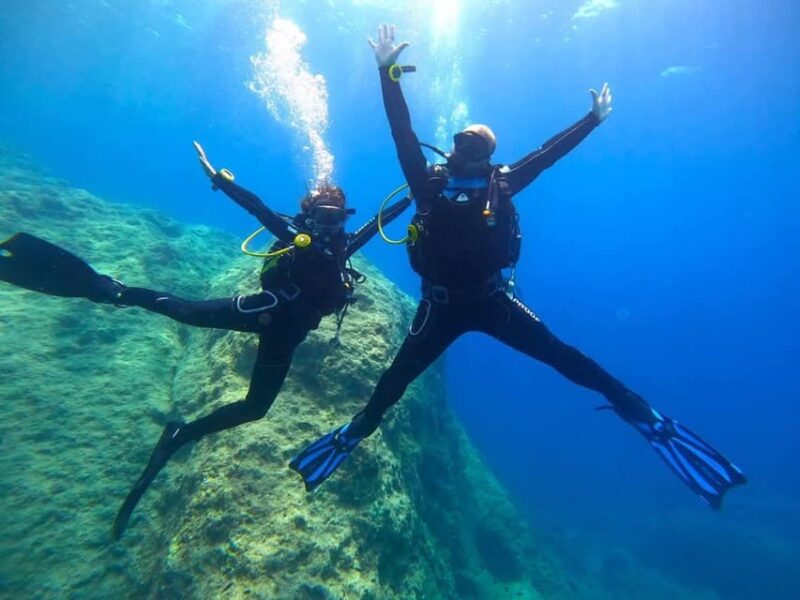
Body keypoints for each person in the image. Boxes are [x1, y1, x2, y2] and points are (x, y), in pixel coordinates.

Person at [289, 25, 747, 509]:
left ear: (490, 155)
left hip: (491, 300)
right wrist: (387, 73)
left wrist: (591, 120)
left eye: (477, 144)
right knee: (393, 381)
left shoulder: (503, 184)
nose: (465, 149)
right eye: (461, 140)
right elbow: (402, 133)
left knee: (564, 356)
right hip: (438, 307)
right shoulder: (427, 185)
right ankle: (354, 432)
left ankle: (646, 417)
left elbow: (547, 155)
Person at [0, 141, 410, 538]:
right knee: (185, 311)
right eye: (321, 216)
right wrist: (218, 179)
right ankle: (111, 290)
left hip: (285, 337)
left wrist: (420, 193)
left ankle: (180, 436)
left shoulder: (345, 246)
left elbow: (382, 220)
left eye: (336, 219)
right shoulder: (292, 235)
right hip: (262, 311)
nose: (328, 226)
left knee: (255, 408)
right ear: (309, 216)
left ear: (344, 219)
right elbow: (257, 207)